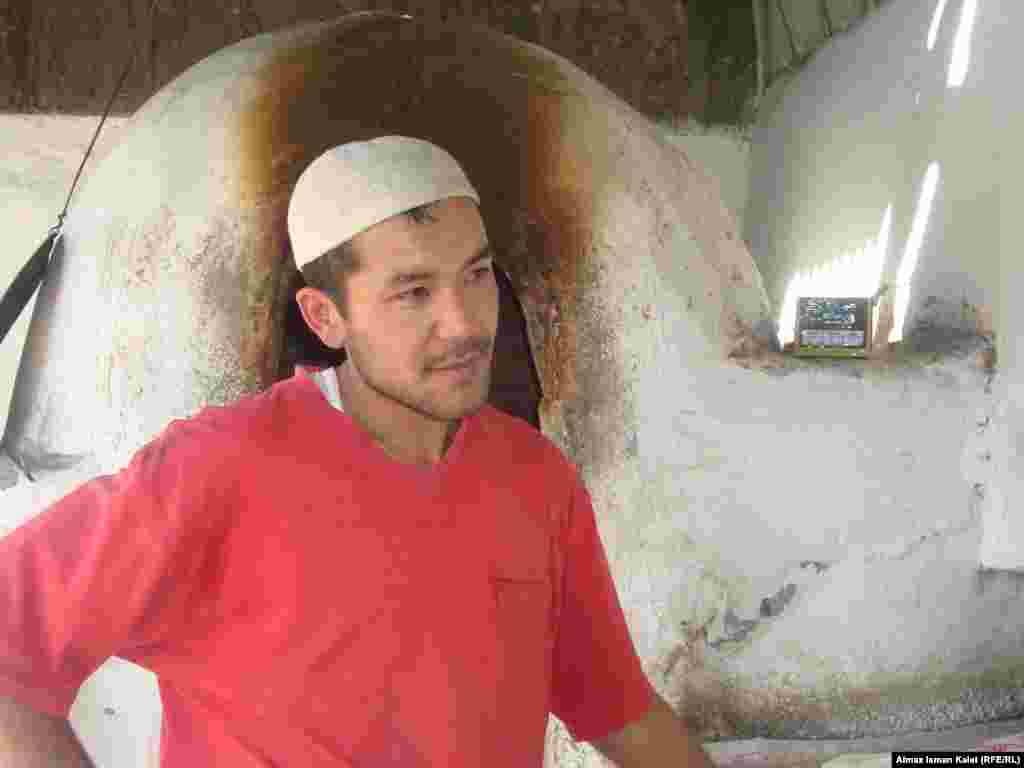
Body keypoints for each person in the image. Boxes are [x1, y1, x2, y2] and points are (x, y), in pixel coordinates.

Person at [0, 136, 713, 767]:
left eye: (476, 275)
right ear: (325, 317)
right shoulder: (216, 466)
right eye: (413, 293)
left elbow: (619, 708)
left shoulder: (535, 479)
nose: (463, 325)